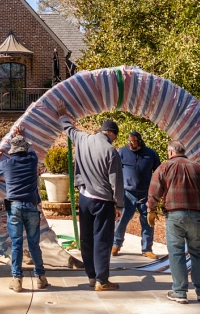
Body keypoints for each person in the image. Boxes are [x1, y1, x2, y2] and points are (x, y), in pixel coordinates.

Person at [57, 102, 124, 291]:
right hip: (103, 201)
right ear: (111, 133)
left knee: (86, 239)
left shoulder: (82, 139)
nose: (114, 140)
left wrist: (62, 114)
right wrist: (119, 205)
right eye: (115, 136)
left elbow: (68, 128)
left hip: (85, 198)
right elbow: (116, 181)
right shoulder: (111, 151)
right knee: (102, 240)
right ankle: (103, 281)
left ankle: (91, 276)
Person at [147, 140, 200, 304]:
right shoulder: (198, 168)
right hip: (195, 216)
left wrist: (151, 210)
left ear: (171, 152)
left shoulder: (164, 167)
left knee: (176, 253)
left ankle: (180, 292)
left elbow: (154, 190)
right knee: (198, 253)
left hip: (175, 216)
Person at [0, 127, 48, 293]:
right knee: (34, 245)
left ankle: (17, 280)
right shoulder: (32, 161)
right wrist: (21, 136)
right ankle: (41, 278)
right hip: (31, 207)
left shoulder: (7, 164)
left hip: (14, 208)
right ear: (24, 149)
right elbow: (32, 151)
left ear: (12, 152)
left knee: (16, 245)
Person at [112, 130, 161, 259]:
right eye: (129, 141)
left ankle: (147, 249)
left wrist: (156, 192)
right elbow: (115, 171)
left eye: (133, 141)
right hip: (127, 193)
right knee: (122, 219)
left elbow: (158, 172)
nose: (131, 144)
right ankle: (116, 244)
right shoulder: (122, 152)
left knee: (147, 221)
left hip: (146, 194)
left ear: (139, 141)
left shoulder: (150, 154)